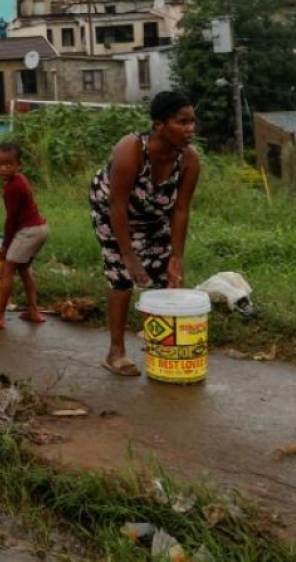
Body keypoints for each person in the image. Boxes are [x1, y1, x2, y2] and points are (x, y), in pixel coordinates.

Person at [89, 91, 200, 377]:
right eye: (182, 122)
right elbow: (117, 206)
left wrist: (177, 256)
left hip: (153, 216)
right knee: (122, 277)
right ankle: (115, 352)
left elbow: (181, 211)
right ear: (160, 125)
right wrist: (129, 256)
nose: (190, 129)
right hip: (113, 212)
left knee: (169, 276)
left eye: (192, 122)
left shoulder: (189, 160)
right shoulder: (131, 149)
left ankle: (163, 347)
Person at [0, 142, 49, 329]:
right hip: (41, 229)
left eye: (9, 164)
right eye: (0, 164)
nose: (3, 168)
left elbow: (12, 220)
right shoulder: (21, 179)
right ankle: (33, 311)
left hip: (29, 231)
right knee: (23, 270)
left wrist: (5, 246)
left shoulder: (12, 188)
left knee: (7, 269)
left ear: (18, 165)